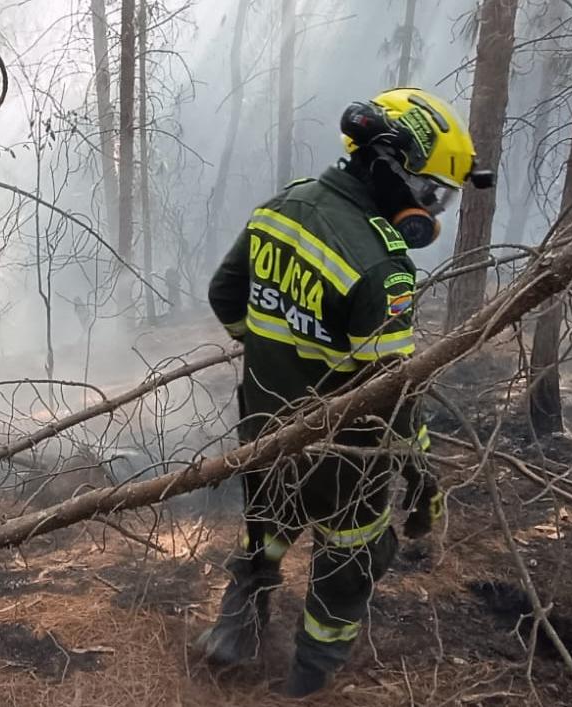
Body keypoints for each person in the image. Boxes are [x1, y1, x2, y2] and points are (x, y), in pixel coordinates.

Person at [201, 88, 489, 696]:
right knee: (352, 557)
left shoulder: (282, 207)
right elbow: (391, 397)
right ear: (392, 169)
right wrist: (422, 476)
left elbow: (225, 295)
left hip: (264, 426)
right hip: (345, 454)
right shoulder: (383, 267)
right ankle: (308, 679)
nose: (431, 210)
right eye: (432, 191)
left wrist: (272, 353)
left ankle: (234, 633)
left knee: (265, 525)